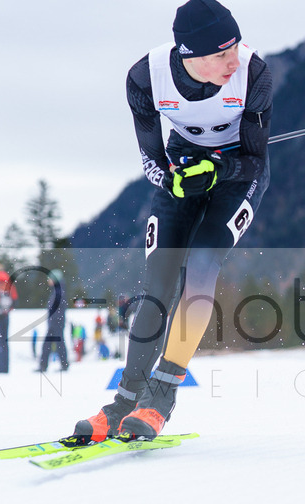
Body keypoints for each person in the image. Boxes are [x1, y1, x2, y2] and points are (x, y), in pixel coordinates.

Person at [73, 0, 271, 441]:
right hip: (183, 169)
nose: (233, 60)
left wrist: (216, 170)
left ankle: (161, 395)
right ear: (190, 54)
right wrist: (173, 178)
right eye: (222, 54)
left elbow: (256, 161)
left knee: (200, 267)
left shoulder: (254, 73)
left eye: (235, 47)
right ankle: (124, 402)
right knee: (158, 281)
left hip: (238, 175)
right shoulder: (145, 77)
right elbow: (150, 156)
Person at [38, 269, 70, 373]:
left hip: (56, 321)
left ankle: (46, 365)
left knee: (54, 343)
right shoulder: (59, 289)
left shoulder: (58, 290)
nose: (48, 281)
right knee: (55, 343)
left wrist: (54, 320)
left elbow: (57, 307)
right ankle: (46, 365)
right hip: (56, 321)